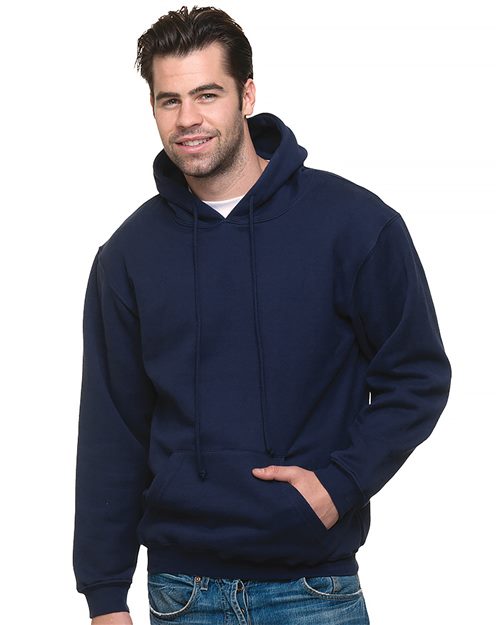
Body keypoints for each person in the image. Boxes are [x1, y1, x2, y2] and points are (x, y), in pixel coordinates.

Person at [73, 6, 452, 625]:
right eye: (169, 100)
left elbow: (418, 375)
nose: (187, 119)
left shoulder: (354, 225)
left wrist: (341, 484)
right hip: (181, 593)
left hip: (314, 590)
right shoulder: (128, 256)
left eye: (207, 94)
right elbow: (112, 429)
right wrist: (105, 595)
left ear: (246, 95)